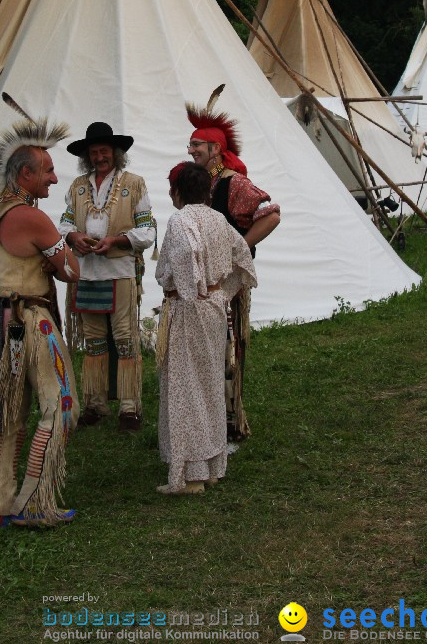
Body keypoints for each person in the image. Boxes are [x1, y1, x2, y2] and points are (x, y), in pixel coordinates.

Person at [0, 115, 80, 528]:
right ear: (25, 173)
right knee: (62, 406)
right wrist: (69, 248)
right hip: (31, 322)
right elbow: (69, 271)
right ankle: (33, 502)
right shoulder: (32, 218)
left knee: (10, 415)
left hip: (1, 319)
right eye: (48, 171)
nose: (53, 179)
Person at [155, 163, 257, 494]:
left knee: (188, 386)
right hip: (212, 308)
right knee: (209, 382)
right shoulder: (218, 219)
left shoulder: (181, 220)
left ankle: (193, 475)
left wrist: (190, 290)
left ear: (178, 192)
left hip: (191, 308)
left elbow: (186, 251)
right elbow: (242, 255)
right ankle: (212, 467)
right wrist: (221, 293)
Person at [186, 96, 280, 439]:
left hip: (225, 283)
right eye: (190, 144)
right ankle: (210, 416)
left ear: (215, 148)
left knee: (227, 346)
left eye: (197, 144)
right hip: (201, 281)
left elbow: (270, 215)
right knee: (206, 347)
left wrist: (240, 250)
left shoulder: (232, 182)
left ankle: (229, 419)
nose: (191, 149)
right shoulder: (200, 181)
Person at [59, 121, 156, 431]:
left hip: (120, 272)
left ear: (115, 153)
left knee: (126, 338)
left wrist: (116, 241)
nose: (99, 157)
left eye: (104, 151)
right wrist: (73, 237)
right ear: (87, 157)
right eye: (94, 153)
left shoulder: (134, 184)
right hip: (87, 275)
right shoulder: (77, 187)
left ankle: (130, 407)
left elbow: (147, 231)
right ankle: (94, 403)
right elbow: (63, 224)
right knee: (94, 340)